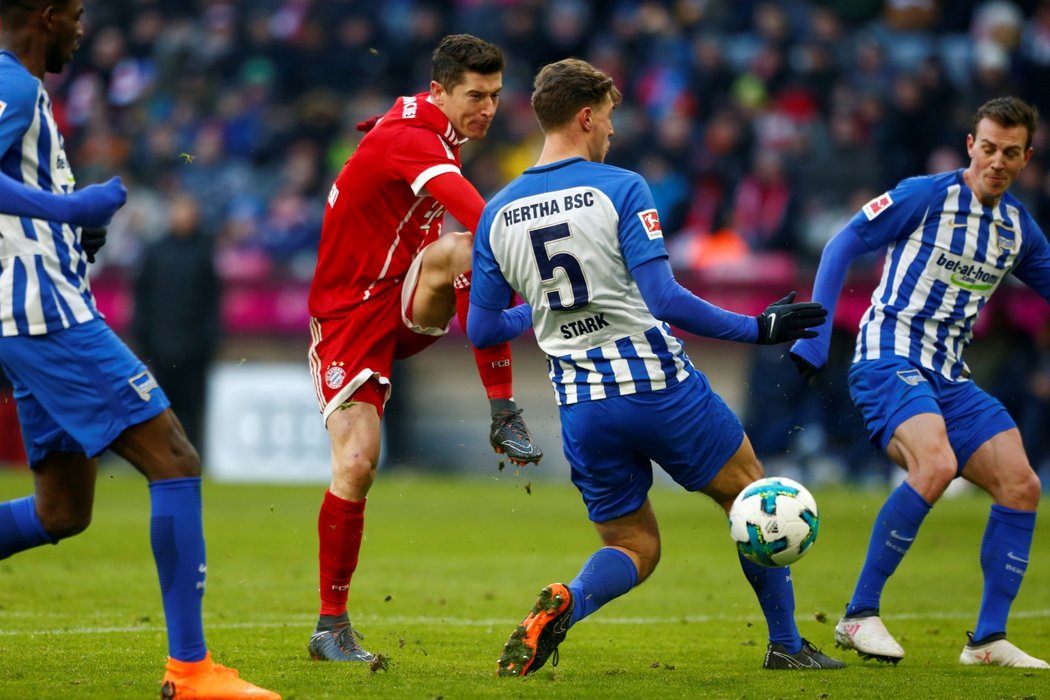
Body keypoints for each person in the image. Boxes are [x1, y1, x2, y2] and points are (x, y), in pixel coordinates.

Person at [466, 57, 841, 676]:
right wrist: (757, 329)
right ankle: (786, 644)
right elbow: (664, 299)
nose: (611, 131)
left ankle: (570, 600)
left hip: (583, 407)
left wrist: (542, 312)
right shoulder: (620, 186)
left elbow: (481, 329)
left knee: (632, 545)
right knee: (753, 497)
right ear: (585, 117)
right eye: (609, 118)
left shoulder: (496, 212)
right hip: (656, 385)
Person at [0, 2, 279, 698]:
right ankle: (191, 672)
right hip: (47, 318)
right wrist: (71, 210)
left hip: (35, 311)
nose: (82, 28)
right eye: (75, 13)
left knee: (62, 510)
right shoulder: (12, 84)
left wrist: (73, 233)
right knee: (174, 458)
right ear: (44, 15)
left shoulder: (22, 90)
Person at [304, 33, 542, 662]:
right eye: (475, 95)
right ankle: (331, 627)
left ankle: (502, 411)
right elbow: (487, 217)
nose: (488, 108)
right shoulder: (415, 137)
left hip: (403, 299)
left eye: (494, 95)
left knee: (462, 252)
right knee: (357, 464)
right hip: (348, 316)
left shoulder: (429, 126)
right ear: (439, 91)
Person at [791, 96, 1050, 669]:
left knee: (1021, 485)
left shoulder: (1017, 229)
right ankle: (860, 615)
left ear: (1026, 157)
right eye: (988, 148)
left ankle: (987, 641)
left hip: (950, 376)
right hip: (889, 357)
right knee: (934, 465)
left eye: (1011, 153)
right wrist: (815, 335)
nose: (997, 162)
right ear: (970, 146)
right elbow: (842, 245)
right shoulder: (924, 196)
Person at [133, 192, 220, 451]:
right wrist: (147, 341)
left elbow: (211, 305)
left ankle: (193, 457)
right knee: (161, 410)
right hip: (158, 349)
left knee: (192, 410)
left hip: (194, 351)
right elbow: (142, 300)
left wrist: (204, 344)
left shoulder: (203, 255)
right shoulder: (155, 253)